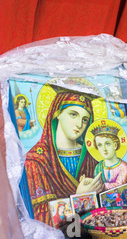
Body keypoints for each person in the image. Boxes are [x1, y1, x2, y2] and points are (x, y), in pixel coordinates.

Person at [24, 88, 103, 226]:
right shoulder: (35, 162)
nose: (79, 124)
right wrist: (80, 197)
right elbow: (39, 224)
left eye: (85, 119)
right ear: (57, 113)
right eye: (73, 114)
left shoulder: (93, 159)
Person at [89, 120, 127, 190]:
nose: (104, 149)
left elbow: (119, 185)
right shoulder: (98, 167)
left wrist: (100, 186)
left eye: (107, 144)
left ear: (115, 145)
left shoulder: (124, 167)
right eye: (100, 145)